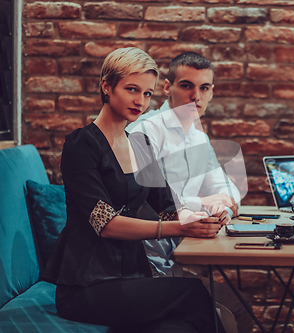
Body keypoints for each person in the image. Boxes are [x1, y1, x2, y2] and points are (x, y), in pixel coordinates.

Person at [42, 47, 226, 333]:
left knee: (180, 327)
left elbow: (165, 207)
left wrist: (202, 217)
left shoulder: (140, 144)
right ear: (107, 86)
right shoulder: (81, 145)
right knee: (194, 292)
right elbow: (106, 224)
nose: (140, 101)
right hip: (88, 285)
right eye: (132, 89)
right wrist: (181, 228)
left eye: (148, 94)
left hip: (134, 276)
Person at [126, 52, 252, 333]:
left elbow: (221, 186)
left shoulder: (198, 137)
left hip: (180, 255)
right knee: (230, 315)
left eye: (204, 88)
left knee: (239, 310)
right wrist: (207, 203)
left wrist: (226, 203)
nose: (196, 96)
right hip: (146, 262)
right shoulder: (143, 132)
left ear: (211, 93)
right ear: (167, 87)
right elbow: (149, 202)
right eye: (186, 85)